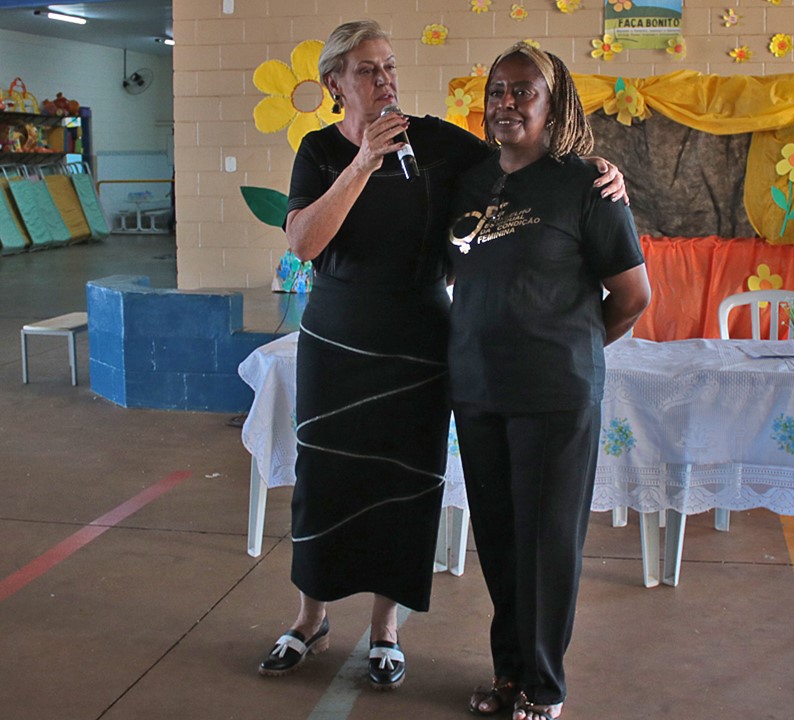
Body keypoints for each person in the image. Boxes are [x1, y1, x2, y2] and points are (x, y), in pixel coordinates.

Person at [259, 21, 627, 691]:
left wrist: (597, 170)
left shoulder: (433, 143)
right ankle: (311, 617)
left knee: (406, 485)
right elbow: (304, 243)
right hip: (338, 338)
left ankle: (385, 631)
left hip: (422, 341)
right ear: (335, 83)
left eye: (390, 67)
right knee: (325, 482)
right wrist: (363, 162)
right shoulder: (318, 151)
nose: (385, 80)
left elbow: (520, 159)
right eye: (368, 70)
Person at [446, 43, 651, 720]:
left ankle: (544, 686)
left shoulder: (585, 185)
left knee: (546, 544)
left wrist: (575, 347)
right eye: (497, 90)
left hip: (554, 394)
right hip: (478, 389)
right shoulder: (471, 179)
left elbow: (632, 296)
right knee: (502, 540)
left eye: (523, 91)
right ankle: (509, 674)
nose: (506, 103)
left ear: (554, 103)